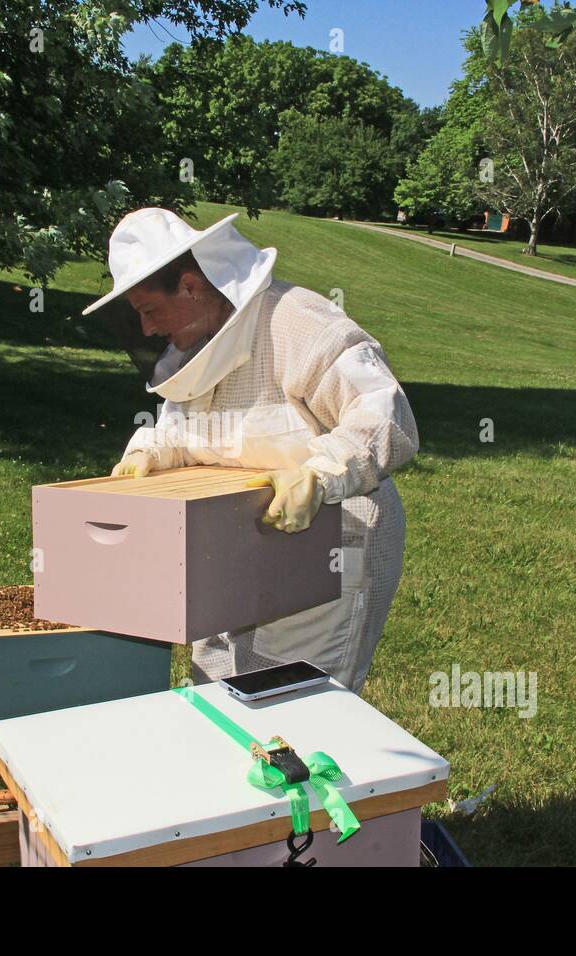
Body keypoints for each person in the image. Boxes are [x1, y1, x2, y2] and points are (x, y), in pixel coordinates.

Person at [85, 208, 419, 692]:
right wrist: (152, 453)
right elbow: (188, 432)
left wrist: (321, 474)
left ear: (191, 285)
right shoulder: (194, 347)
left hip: (329, 551)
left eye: (149, 311)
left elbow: (385, 412)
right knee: (215, 687)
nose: (146, 330)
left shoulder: (300, 323)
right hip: (228, 549)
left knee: (294, 705)